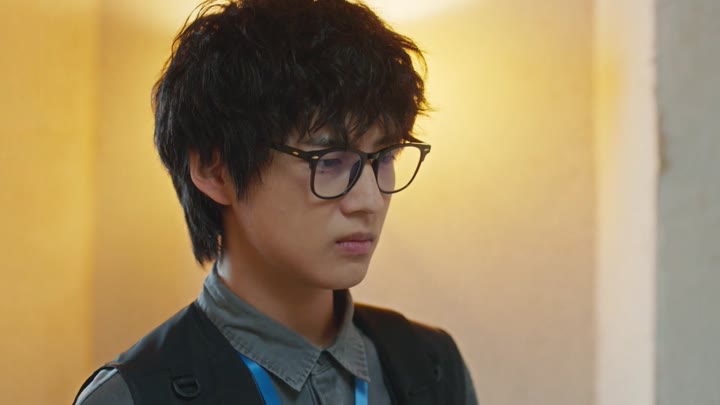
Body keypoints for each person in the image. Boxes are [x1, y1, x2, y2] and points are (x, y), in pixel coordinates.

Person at [74, 0, 477, 403]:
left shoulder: (430, 363)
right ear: (216, 171)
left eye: (385, 157)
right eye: (329, 161)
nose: (370, 200)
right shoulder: (134, 395)